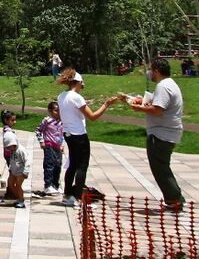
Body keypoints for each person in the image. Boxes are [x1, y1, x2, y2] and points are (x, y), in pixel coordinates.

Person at [120, 58, 185, 212]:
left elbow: (157, 110)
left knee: (160, 168)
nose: (149, 73)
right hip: (167, 132)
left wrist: (138, 109)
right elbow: (157, 105)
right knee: (163, 167)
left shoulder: (163, 87)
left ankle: (174, 200)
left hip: (161, 134)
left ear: (156, 70)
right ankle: (176, 197)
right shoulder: (170, 84)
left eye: (150, 70)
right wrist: (141, 101)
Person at [56, 69, 118, 208]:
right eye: (81, 83)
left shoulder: (61, 96)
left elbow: (61, 115)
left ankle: (67, 195)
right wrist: (106, 104)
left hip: (68, 134)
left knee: (72, 165)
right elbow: (93, 116)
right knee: (81, 167)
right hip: (79, 135)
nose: (82, 86)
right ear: (77, 82)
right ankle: (78, 198)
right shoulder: (76, 97)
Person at [35, 101, 64, 196]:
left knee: (58, 165)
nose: (58, 112)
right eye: (56, 110)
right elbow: (38, 130)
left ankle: (55, 185)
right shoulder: (47, 121)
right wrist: (41, 141)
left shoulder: (62, 121)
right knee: (49, 164)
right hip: (49, 144)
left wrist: (62, 144)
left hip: (58, 146)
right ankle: (48, 185)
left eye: (59, 110)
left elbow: (62, 134)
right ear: (50, 111)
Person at [2, 128, 31, 209]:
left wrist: (25, 172)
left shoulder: (21, 150)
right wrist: (10, 169)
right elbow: (12, 160)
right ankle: (19, 197)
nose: (9, 149)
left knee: (18, 185)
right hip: (13, 171)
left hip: (20, 172)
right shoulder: (12, 151)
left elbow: (27, 161)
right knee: (10, 184)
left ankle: (21, 201)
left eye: (10, 147)